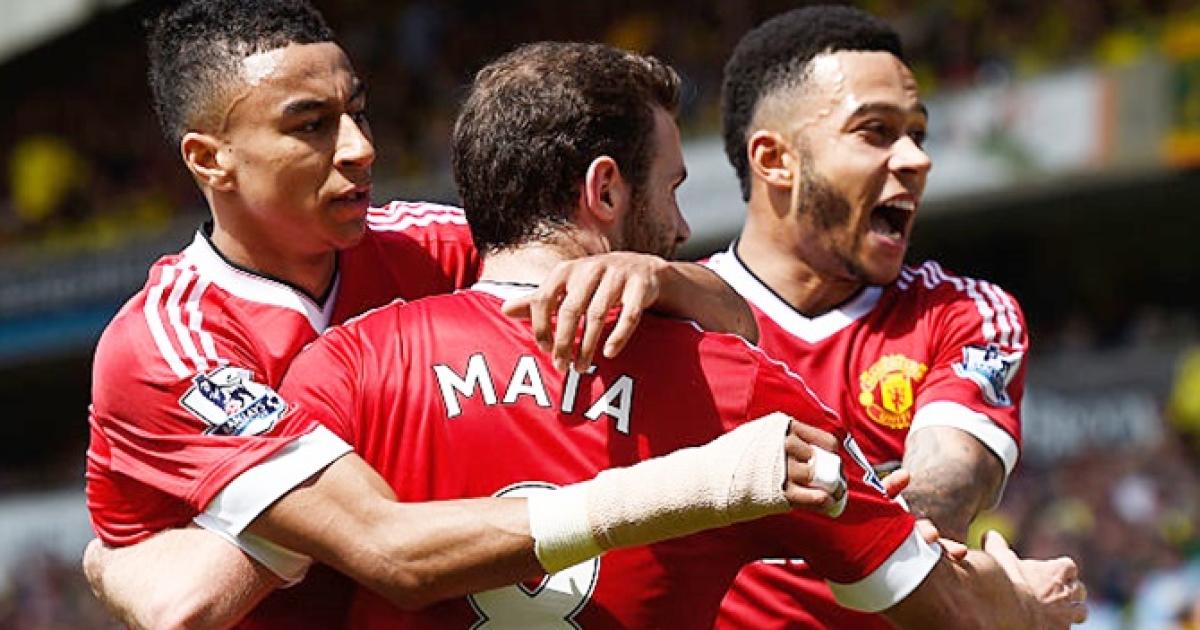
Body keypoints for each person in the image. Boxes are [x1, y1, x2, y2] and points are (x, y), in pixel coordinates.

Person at [95, 40, 1085, 629]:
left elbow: (220, 583)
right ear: (605, 190)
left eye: (358, 114)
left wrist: (671, 280)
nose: (684, 225)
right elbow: (930, 608)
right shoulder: (746, 403)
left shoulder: (342, 365)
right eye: (672, 189)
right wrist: (1024, 611)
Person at [82, 1, 761, 628]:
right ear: (210, 159)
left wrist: (661, 277)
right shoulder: (170, 345)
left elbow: (739, 327)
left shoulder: (427, 245)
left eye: (359, 112)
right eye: (311, 125)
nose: (360, 148)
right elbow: (383, 550)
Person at [706, 6, 1034, 629]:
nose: (916, 160)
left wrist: (736, 501)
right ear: (775, 160)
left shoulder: (966, 313)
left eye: (918, 134)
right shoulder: (668, 318)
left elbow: (938, 500)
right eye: (876, 131)